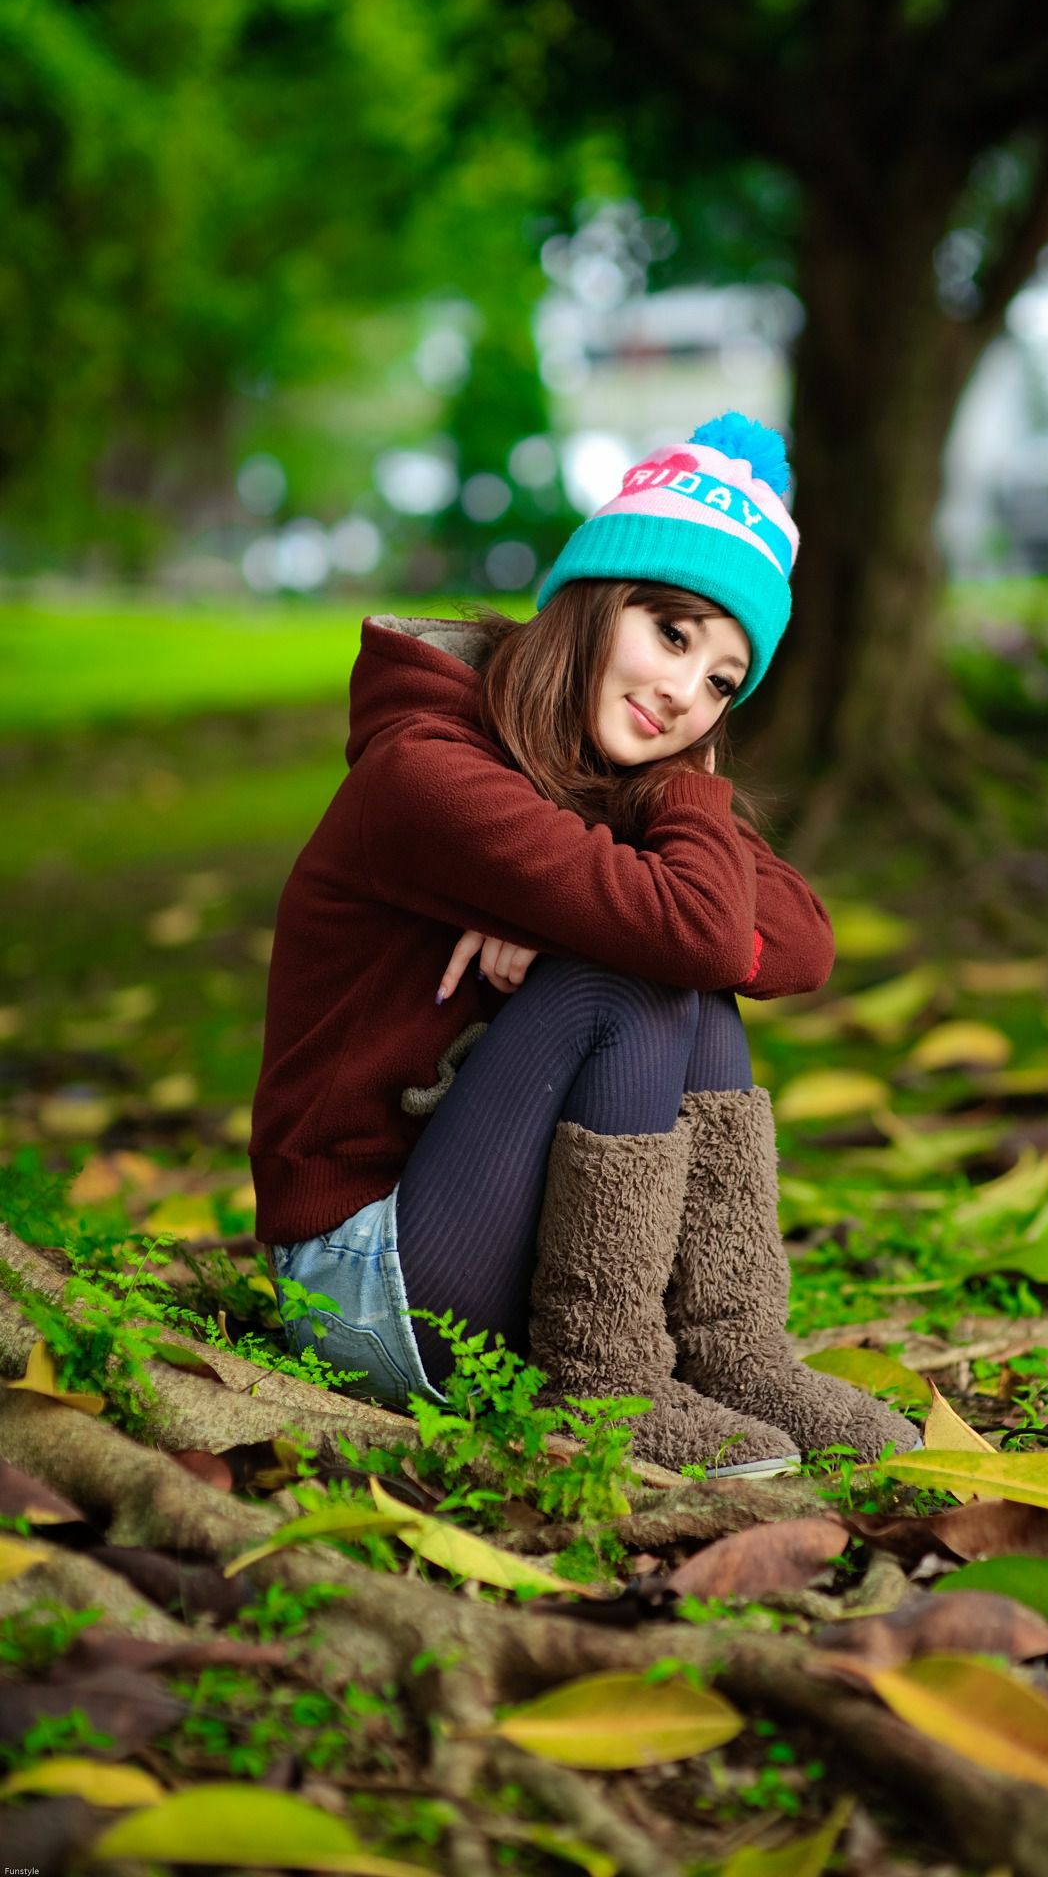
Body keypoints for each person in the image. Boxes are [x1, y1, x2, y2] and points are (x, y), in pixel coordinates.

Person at [249, 412, 920, 1476]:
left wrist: (648, 814)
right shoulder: (423, 771)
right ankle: (602, 1387)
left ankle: (730, 1349)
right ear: (594, 600)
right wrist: (668, 824)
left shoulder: (601, 771)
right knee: (632, 974)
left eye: (721, 682)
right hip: (363, 1274)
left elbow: (802, 937)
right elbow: (700, 923)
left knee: (675, 969)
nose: (681, 693)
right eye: (670, 630)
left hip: (476, 1235)